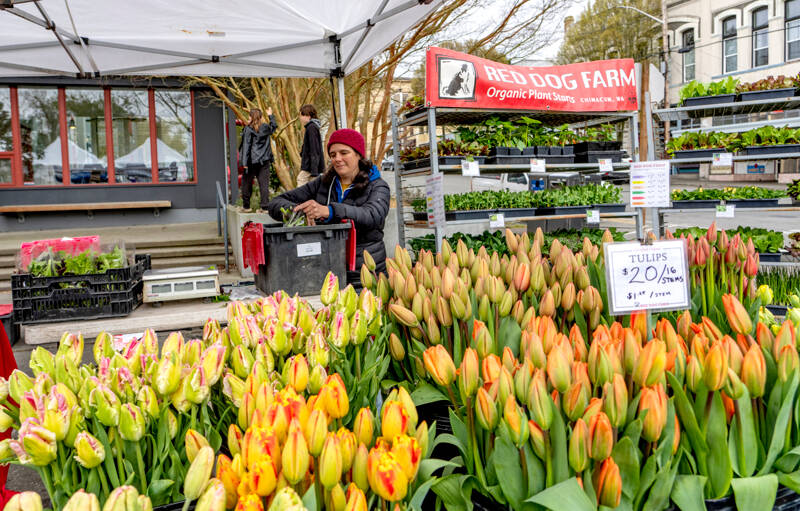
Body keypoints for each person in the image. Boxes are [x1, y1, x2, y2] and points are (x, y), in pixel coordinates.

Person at [267, 129, 390, 282]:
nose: (337, 159)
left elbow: (373, 215)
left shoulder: (377, 186)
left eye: (344, 153)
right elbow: (275, 203)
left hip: (365, 275)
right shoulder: (323, 183)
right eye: (333, 155)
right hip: (326, 271)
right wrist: (302, 212)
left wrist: (330, 211)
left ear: (358, 155)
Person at [239, 107, 277, 211]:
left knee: (246, 184)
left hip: (251, 161)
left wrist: (244, 162)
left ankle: (246, 207)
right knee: (264, 184)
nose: (248, 117)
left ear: (251, 117)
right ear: (260, 117)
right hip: (264, 161)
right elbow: (274, 126)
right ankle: (265, 207)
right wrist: (270, 115)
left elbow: (246, 146)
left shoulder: (248, 129)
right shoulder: (265, 127)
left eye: (249, 116)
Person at [296, 104, 324, 187]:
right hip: (312, 166)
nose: (300, 118)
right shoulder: (312, 127)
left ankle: (300, 200)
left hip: (310, 166)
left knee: (301, 181)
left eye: (301, 115)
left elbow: (314, 149)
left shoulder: (311, 128)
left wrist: (314, 170)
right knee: (312, 189)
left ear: (308, 116)